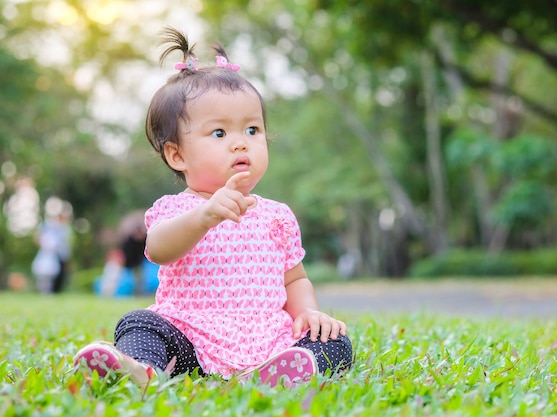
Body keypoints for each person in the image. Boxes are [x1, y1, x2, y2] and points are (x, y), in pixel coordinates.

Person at [74, 27, 352, 388]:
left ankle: (280, 373)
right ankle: (144, 370)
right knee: (139, 323)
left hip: (268, 340)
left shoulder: (277, 216)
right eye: (220, 134)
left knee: (336, 341)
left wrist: (308, 313)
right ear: (177, 155)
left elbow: (295, 278)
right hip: (190, 339)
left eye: (252, 130)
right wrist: (204, 216)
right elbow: (158, 249)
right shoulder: (175, 209)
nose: (241, 144)